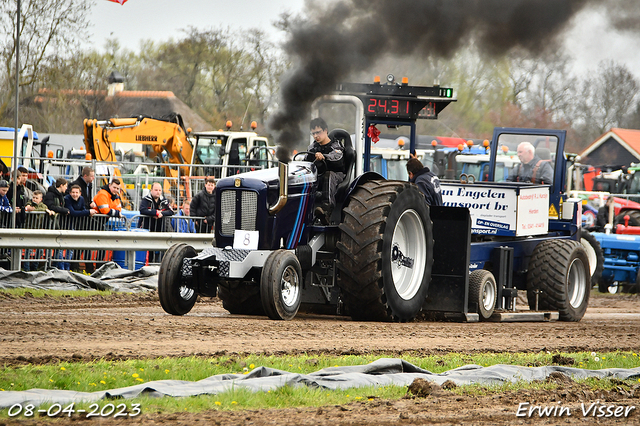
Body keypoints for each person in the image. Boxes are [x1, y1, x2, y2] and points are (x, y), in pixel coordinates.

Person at [307, 117, 345, 223]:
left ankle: (326, 211)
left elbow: (337, 157)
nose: (315, 136)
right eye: (313, 133)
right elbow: (306, 160)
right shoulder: (312, 148)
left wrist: (324, 156)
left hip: (337, 176)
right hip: (318, 176)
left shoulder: (336, 145)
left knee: (328, 175)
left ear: (325, 130)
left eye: (318, 132)